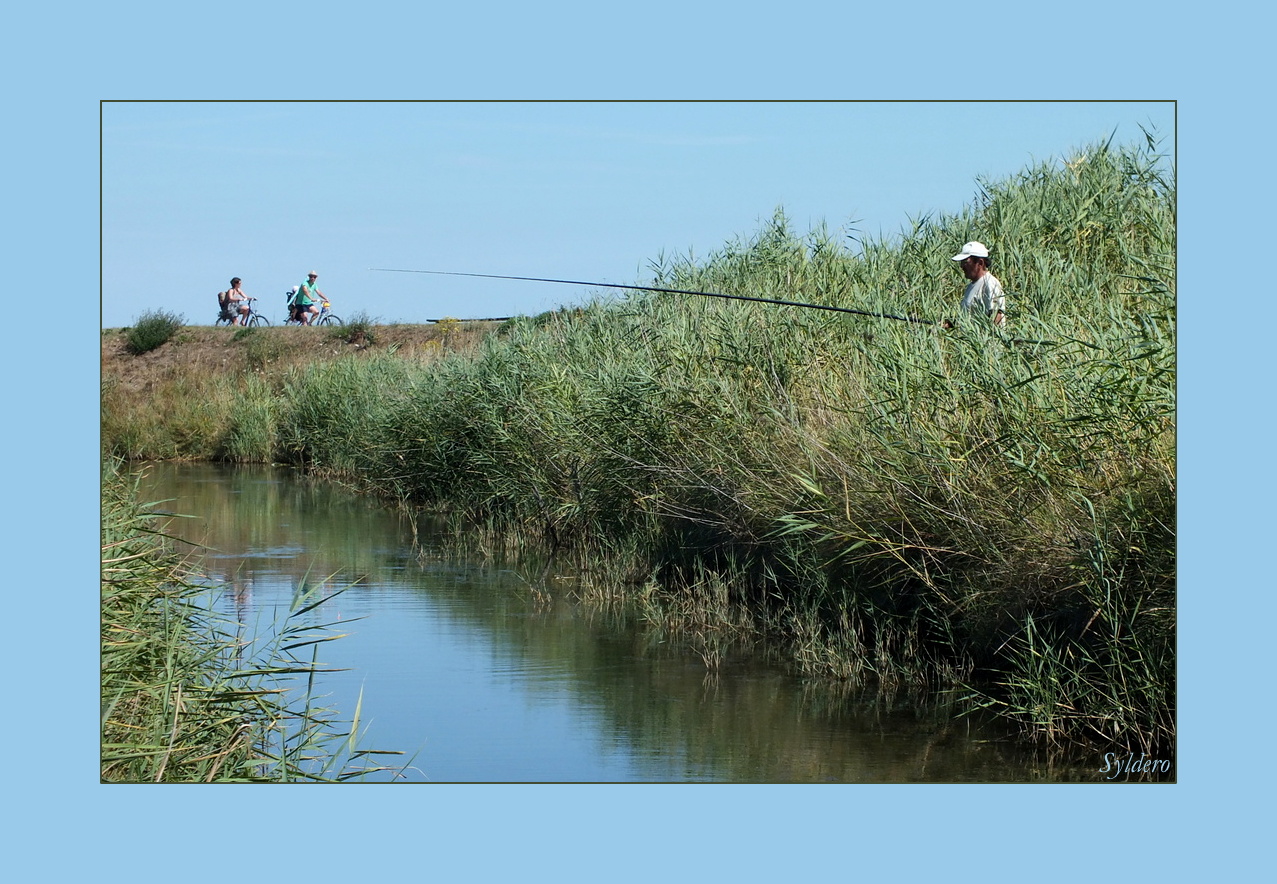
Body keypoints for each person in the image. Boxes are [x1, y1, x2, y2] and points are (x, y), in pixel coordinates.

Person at [946, 241, 1005, 328]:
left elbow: (996, 318)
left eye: (965, 262)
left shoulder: (990, 283)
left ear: (980, 263)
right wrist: (951, 324)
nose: (962, 266)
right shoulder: (971, 286)